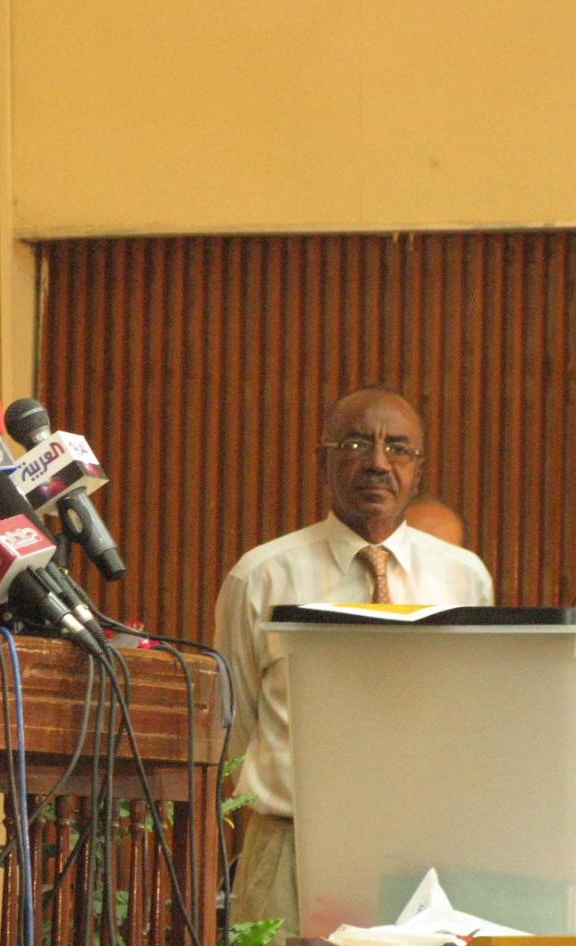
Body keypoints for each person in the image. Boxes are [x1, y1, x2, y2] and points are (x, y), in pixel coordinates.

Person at [214, 387, 494, 944]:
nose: (378, 463)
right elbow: (233, 728)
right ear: (322, 460)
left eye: (398, 448)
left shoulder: (465, 578)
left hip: (425, 855)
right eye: (357, 443)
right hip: (290, 847)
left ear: (418, 469)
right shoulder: (262, 576)